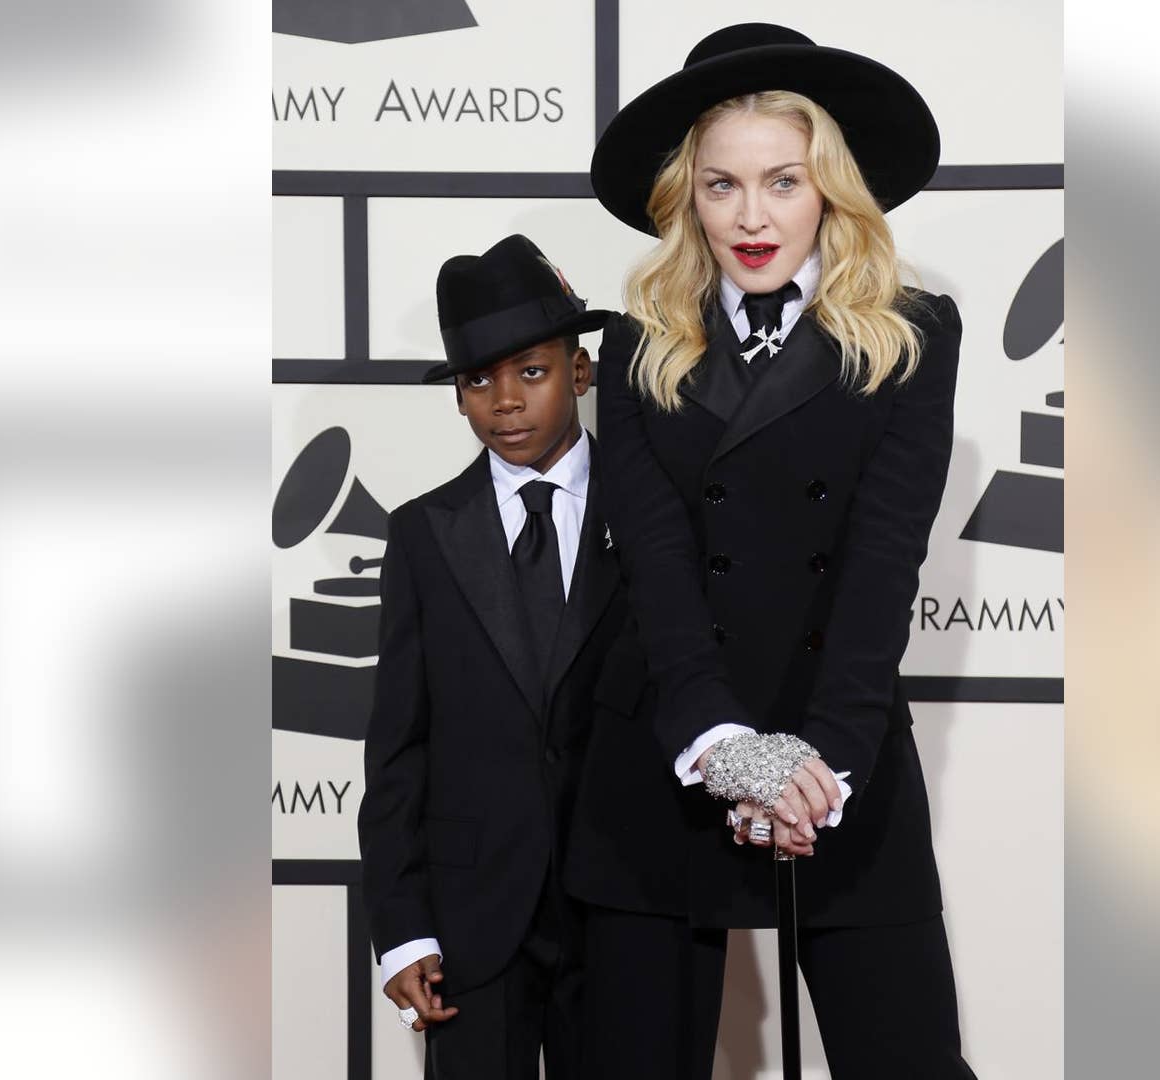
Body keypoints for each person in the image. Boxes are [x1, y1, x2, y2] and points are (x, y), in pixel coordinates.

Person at [562, 22, 977, 1079]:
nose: (752, 217)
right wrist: (726, 749)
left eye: (783, 182)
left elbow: (884, 564)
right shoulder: (637, 343)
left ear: (829, 189)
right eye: (722, 185)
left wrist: (815, 768)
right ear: (686, 198)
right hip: (669, 745)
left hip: (838, 743)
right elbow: (655, 565)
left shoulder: (913, 333)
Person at [358, 234, 627, 1080]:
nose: (505, 402)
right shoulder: (422, 534)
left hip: (628, 906)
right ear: (458, 397)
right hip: (471, 921)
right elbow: (398, 747)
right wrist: (402, 928)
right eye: (479, 381)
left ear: (580, 371)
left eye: (531, 372)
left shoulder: (653, 515)